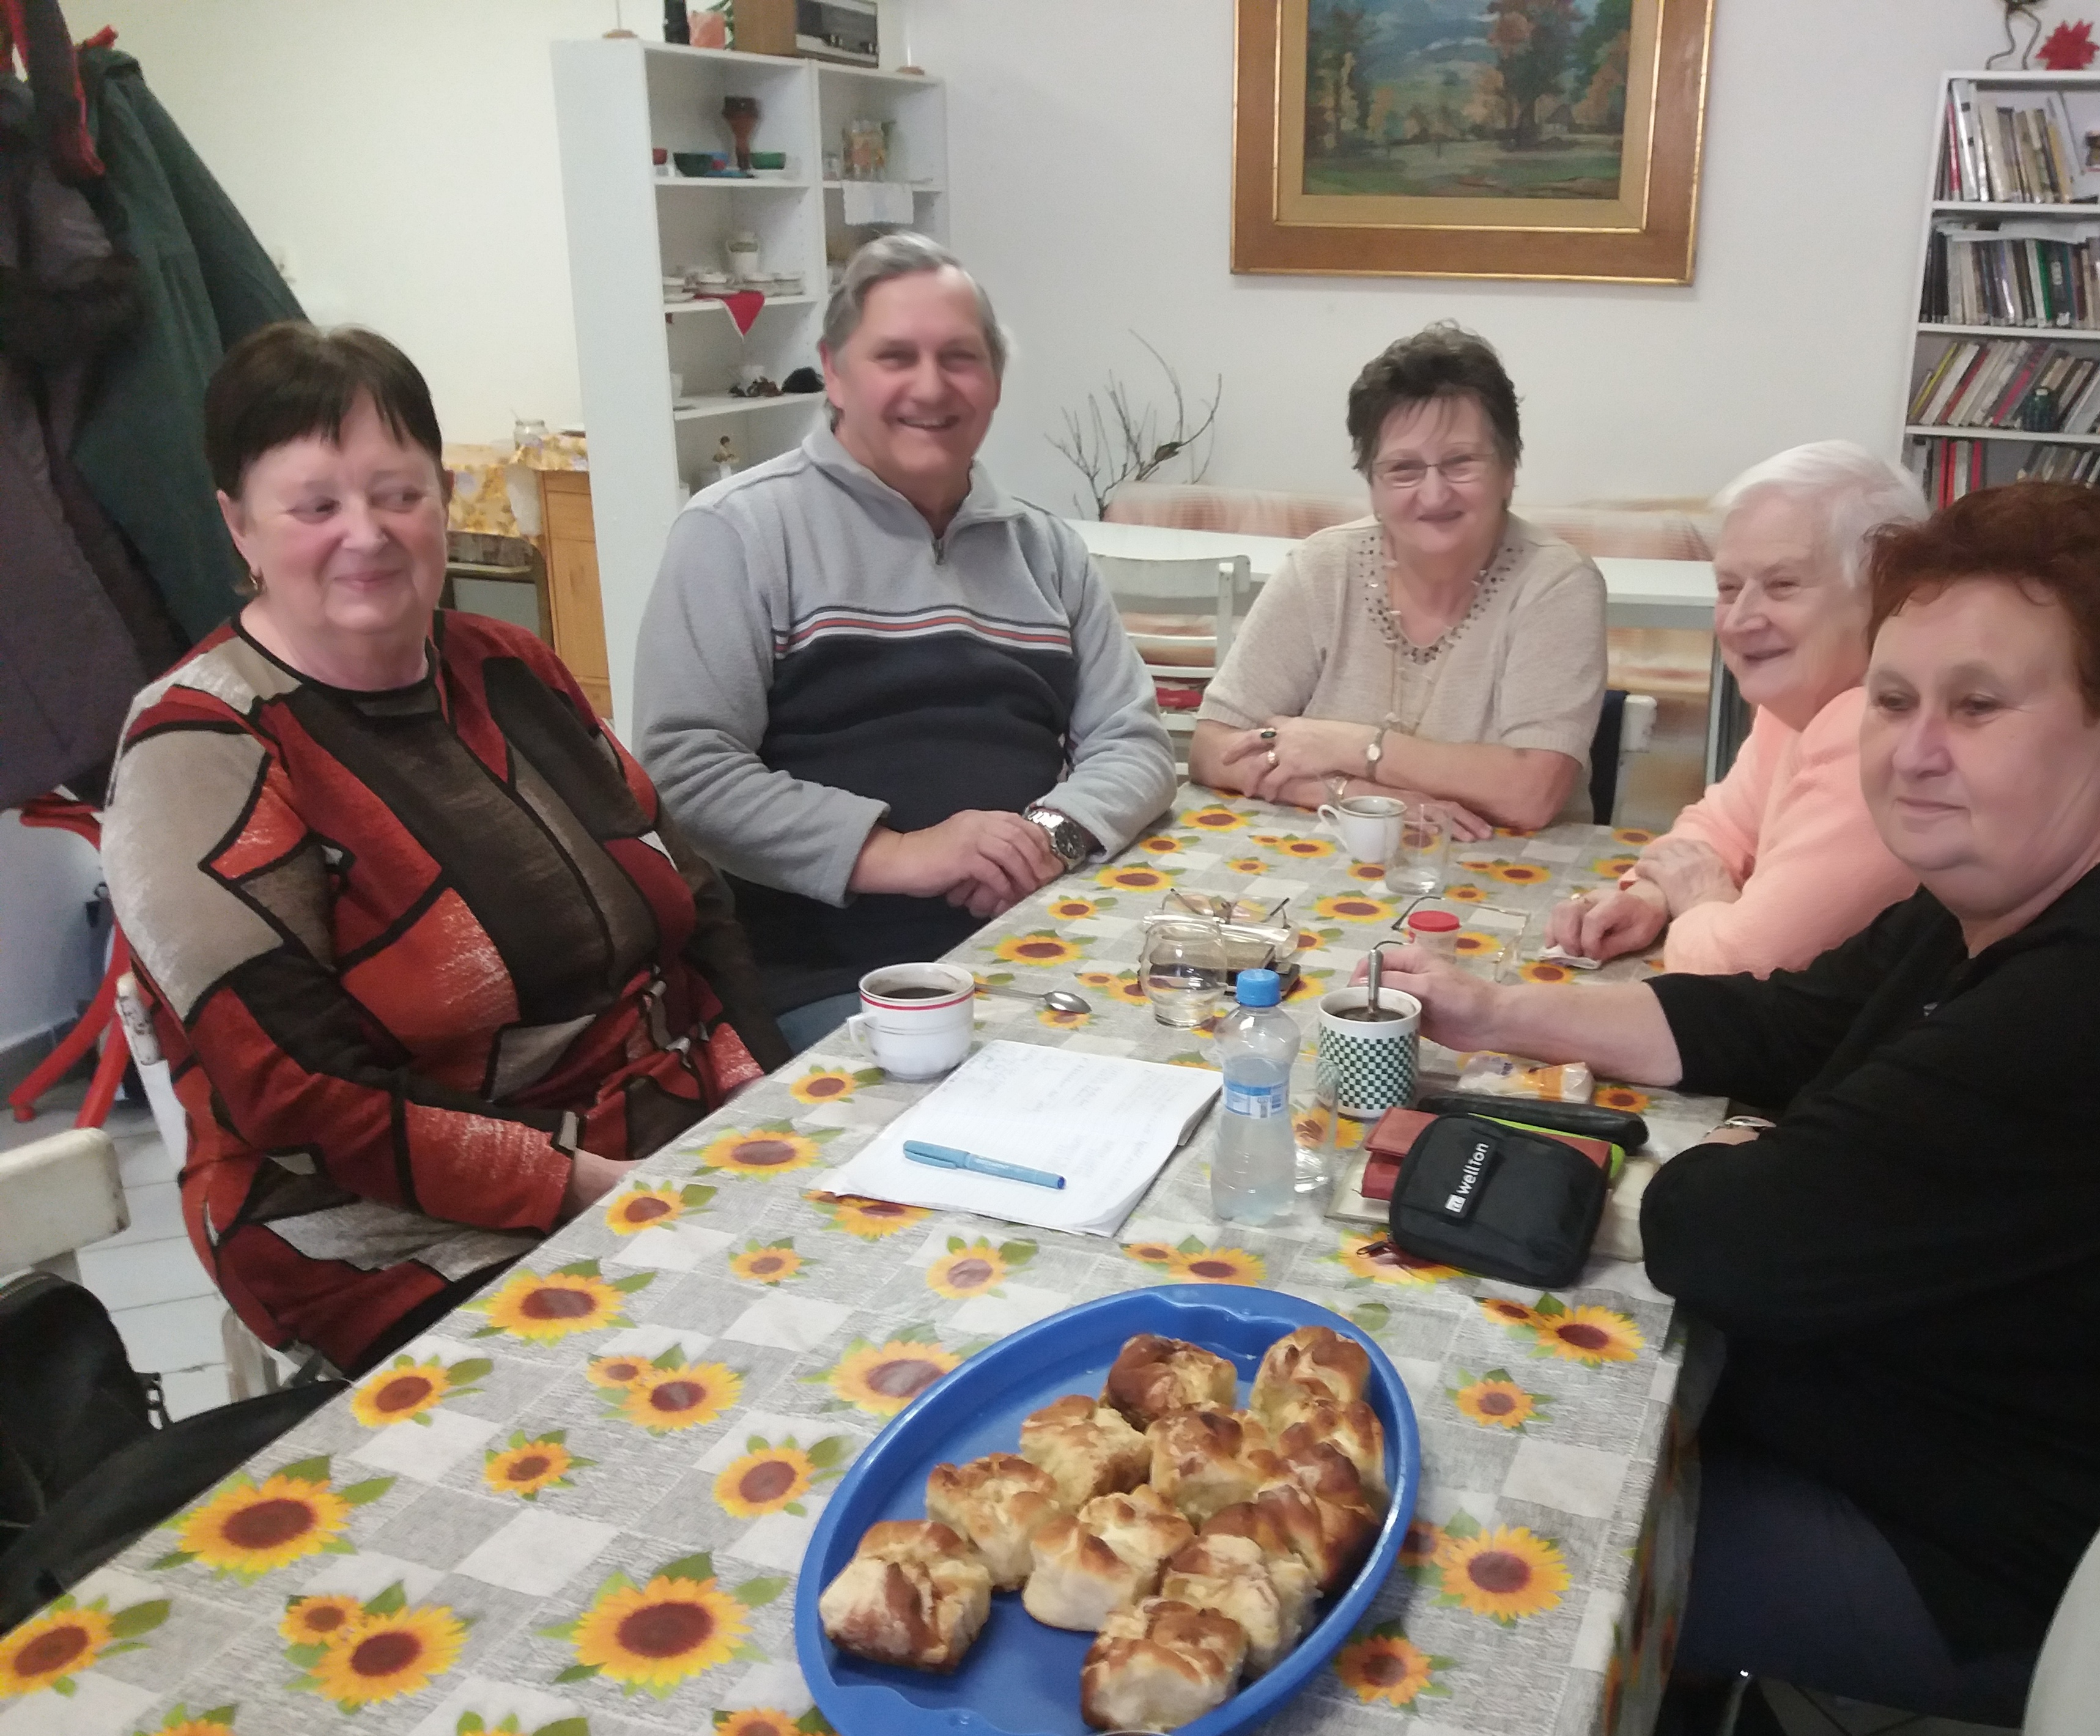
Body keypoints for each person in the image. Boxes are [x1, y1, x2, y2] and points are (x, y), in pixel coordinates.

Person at [1385, 481, 2100, 1736]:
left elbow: (1732, 1239)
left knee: (1530, 1523)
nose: (1914, 753)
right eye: (1892, 698)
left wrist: (1759, 1166)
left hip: (2089, 1563)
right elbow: (1782, 1022)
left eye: (1978, 707)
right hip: (2039, 1414)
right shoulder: (2054, 866)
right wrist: (1491, 1011)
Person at [100, 323, 785, 1375]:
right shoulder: (200, 748)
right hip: (393, 1231)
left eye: (398, 494)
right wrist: (590, 1187)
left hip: (656, 1137)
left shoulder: (510, 667)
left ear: (443, 498)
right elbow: (295, 1093)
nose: (367, 533)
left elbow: (694, 904)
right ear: (240, 526)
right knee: (705, 1388)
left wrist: (761, 1096)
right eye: (316, 506)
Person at [636, 234, 1175, 1048]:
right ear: (834, 373)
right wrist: (902, 853)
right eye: (896, 356)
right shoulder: (738, 532)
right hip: (833, 978)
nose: (931, 386)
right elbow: (686, 770)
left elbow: (1133, 741)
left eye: (960, 357)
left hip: (1040, 940)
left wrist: (1047, 838)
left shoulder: (1045, 549)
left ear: (994, 382)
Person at [1189, 323, 1608, 835]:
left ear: (1509, 469)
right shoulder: (1322, 568)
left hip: (1513, 869)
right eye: (1404, 469)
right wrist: (1357, 796)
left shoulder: (1557, 584)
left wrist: (1349, 746)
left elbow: (1531, 794)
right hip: (1329, 863)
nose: (1434, 495)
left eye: (1460, 463)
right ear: (1372, 483)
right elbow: (1212, 748)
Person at [1548, 442, 1924, 975]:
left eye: (1782, 585)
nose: (1741, 619)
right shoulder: (1801, 701)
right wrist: (1653, 895)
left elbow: (1741, 966)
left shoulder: (1877, 734)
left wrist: (1701, 896)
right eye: (1728, 587)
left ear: (1884, 590)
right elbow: (1720, 825)